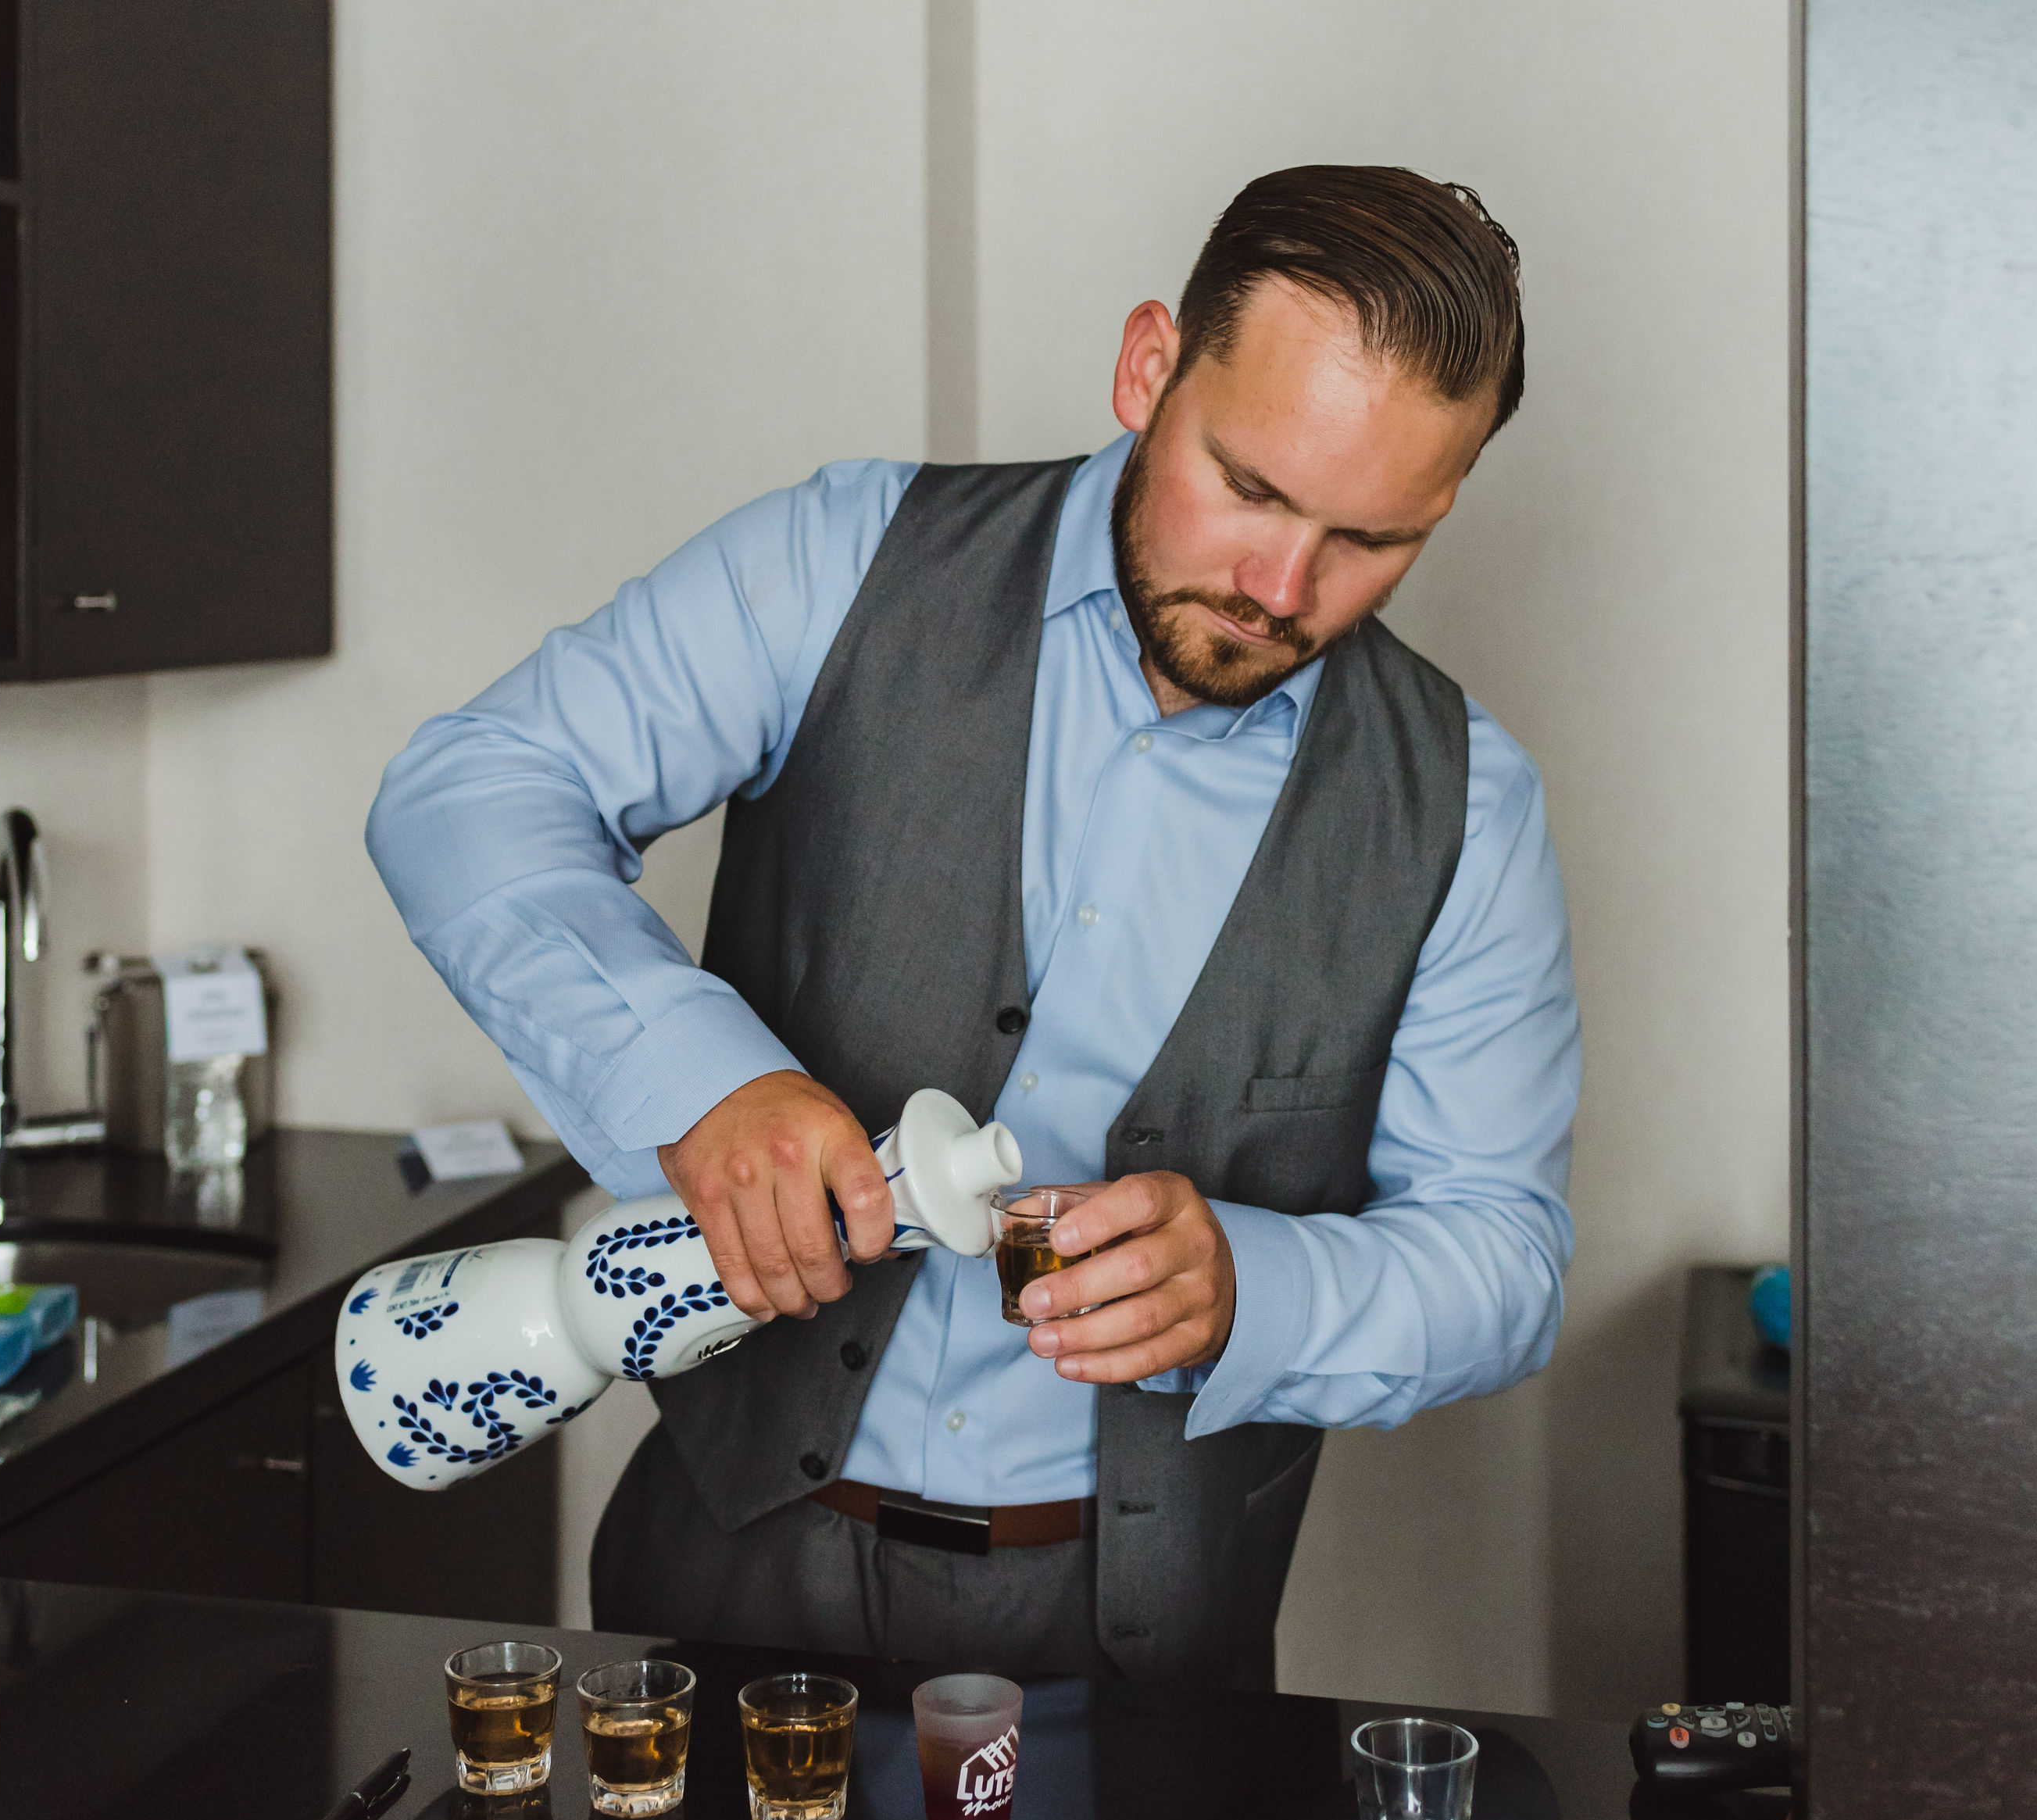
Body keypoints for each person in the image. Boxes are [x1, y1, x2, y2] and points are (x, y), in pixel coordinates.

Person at [368, 166, 1579, 1689]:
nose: (1283, 588)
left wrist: (1252, 1288)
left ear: (1445, 499)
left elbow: (1505, 1255)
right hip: (725, 1563)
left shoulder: (1468, 807)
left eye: (1372, 538)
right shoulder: (842, 558)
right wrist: (698, 1082)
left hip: (1136, 1647)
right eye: (1253, 487)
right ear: (1150, 366)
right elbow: (471, 788)